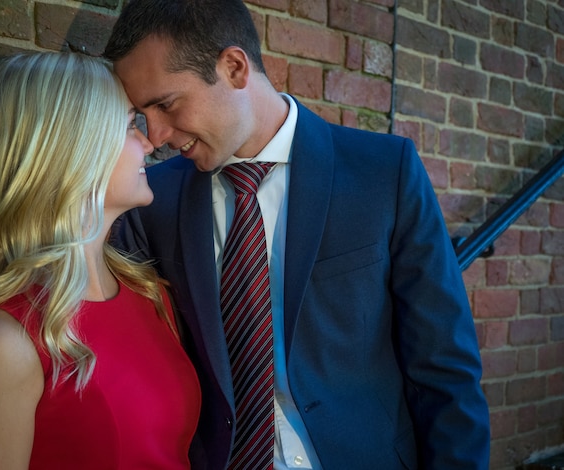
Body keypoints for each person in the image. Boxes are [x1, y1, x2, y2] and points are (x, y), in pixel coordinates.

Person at [103, 1, 491, 469]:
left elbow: (444, 368)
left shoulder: (384, 173)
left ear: (234, 68)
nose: (158, 135)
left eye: (165, 104)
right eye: (142, 113)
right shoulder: (151, 203)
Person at [0, 51, 201, 470]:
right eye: (128, 125)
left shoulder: (150, 294)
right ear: (74, 149)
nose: (150, 142)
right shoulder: (2, 345)